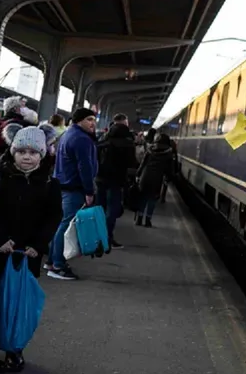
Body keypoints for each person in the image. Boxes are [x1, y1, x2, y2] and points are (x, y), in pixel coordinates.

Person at [0, 123, 62, 372]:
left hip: (26, 255)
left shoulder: (51, 184)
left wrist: (38, 245)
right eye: (21, 151)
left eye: (33, 152)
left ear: (42, 154)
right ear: (12, 152)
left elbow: (53, 217)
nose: (27, 157)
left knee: (18, 305)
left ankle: (13, 349)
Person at [45, 108, 98, 280]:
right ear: (79, 120)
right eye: (89, 119)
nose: (93, 123)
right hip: (73, 188)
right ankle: (58, 266)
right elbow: (85, 167)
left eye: (94, 119)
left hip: (62, 186)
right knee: (66, 227)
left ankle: (52, 261)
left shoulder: (68, 135)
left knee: (60, 225)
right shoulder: (82, 139)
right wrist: (89, 191)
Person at [96, 113, 137, 249]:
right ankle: (107, 238)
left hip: (100, 179)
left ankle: (97, 237)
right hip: (117, 181)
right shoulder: (127, 143)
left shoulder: (103, 141)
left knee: (100, 208)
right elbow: (131, 163)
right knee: (112, 211)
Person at [135, 133, 175, 227]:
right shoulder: (168, 153)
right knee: (152, 199)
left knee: (143, 198)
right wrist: (168, 178)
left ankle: (139, 219)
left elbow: (143, 164)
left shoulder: (149, 150)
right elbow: (169, 169)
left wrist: (138, 174)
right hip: (157, 178)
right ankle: (148, 220)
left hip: (145, 176)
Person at [0, 96, 39, 168]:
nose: (25, 109)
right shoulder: (18, 123)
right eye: (22, 106)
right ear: (15, 109)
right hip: (7, 163)